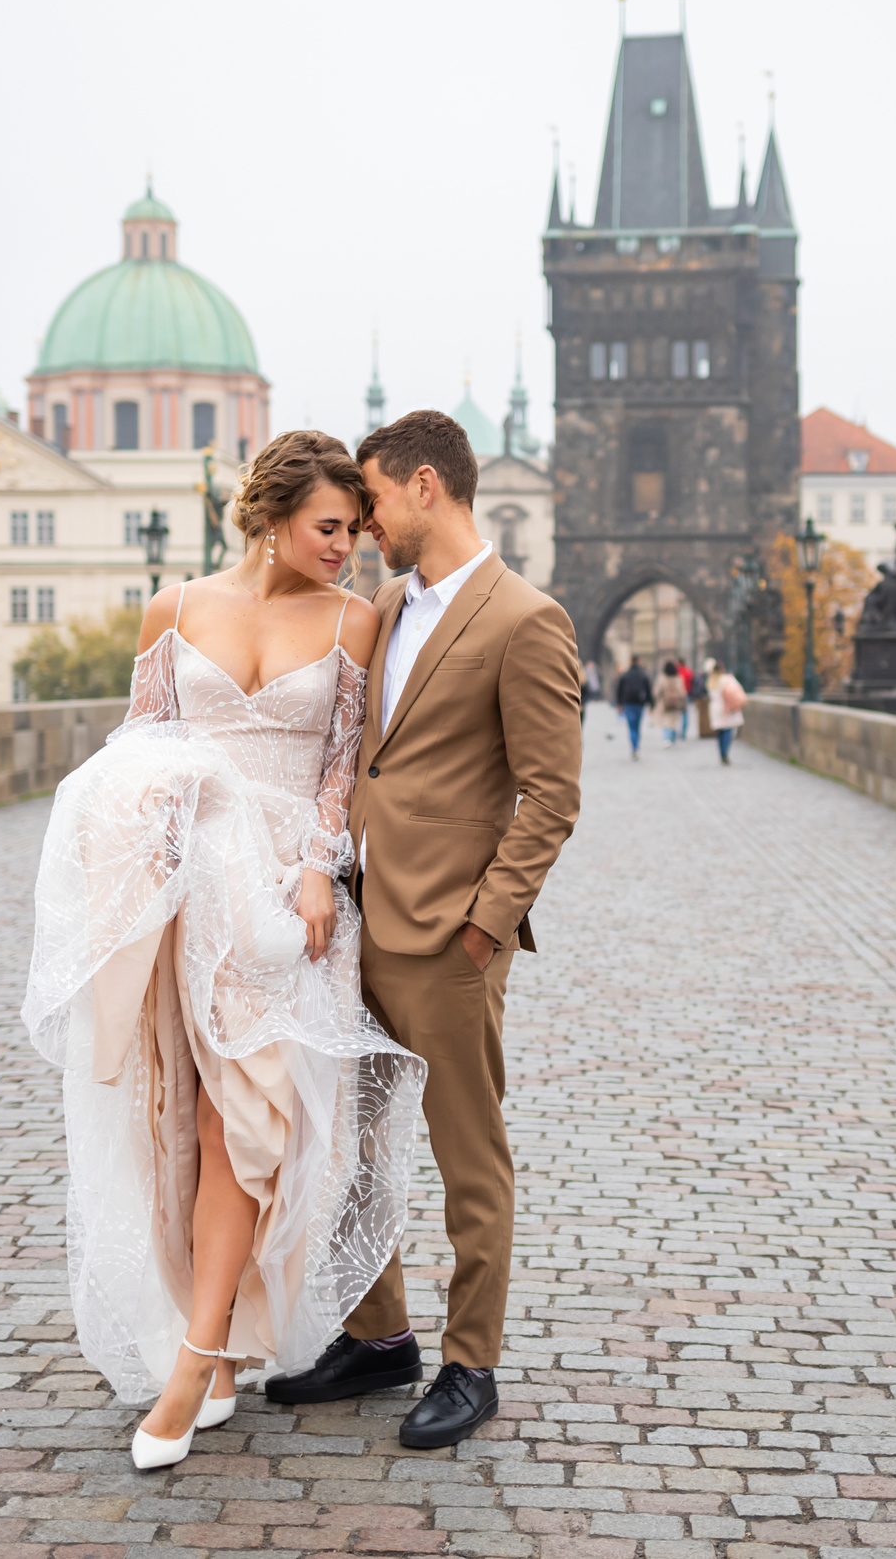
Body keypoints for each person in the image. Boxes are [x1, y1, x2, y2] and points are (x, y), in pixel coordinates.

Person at [21, 431, 420, 1473]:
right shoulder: (176, 608)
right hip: (185, 891)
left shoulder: (353, 620)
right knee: (176, 1122)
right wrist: (141, 855)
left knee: (243, 1117)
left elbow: (342, 768)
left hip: (285, 903)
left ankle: (195, 1363)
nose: (348, 546)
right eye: (330, 528)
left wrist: (316, 863)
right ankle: (228, 1347)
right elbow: (136, 749)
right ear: (272, 516)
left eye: (353, 529)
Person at [260, 408, 583, 1452]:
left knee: (465, 1155)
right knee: (350, 1143)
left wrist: (485, 928)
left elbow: (551, 796)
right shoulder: (385, 604)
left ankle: (471, 1360)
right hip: (356, 921)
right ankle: (380, 1333)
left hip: (449, 939)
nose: (365, 519)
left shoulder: (525, 619)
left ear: (427, 488)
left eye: (376, 497)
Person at [706, 658, 748, 765]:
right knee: (727, 731)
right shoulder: (727, 680)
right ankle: (725, 753)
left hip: (715, 708)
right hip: (726, 708)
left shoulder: (711, 681)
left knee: (719, 732)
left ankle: (721, 752)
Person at [612, 657, 653, 759]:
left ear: (630, 662)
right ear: (639, 662)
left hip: (628, 703)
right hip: (639, 703)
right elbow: (648, 690)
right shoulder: (643, 674)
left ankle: (634, 747)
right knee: (638, 726)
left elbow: (619, 690)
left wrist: (619, 704)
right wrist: (650, 703)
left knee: (631, 727)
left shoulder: (625, 675)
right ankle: (636, 746)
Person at [652, 660, 687, 747]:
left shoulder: (662, 678)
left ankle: (667, 739)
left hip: (665, 703)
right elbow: (682, 692)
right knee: (674, 721)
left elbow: (656, 692)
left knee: (666, 721)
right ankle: (673, 738)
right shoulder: (678, 678)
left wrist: (656, 700)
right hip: (676, 703)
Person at [675, 657, 697, 740]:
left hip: (678, 695)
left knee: (676, 714)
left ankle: (676, 732)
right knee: (685, 714)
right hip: (687, 694)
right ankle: (683, 732)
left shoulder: (677, 672)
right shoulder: (688, 671)